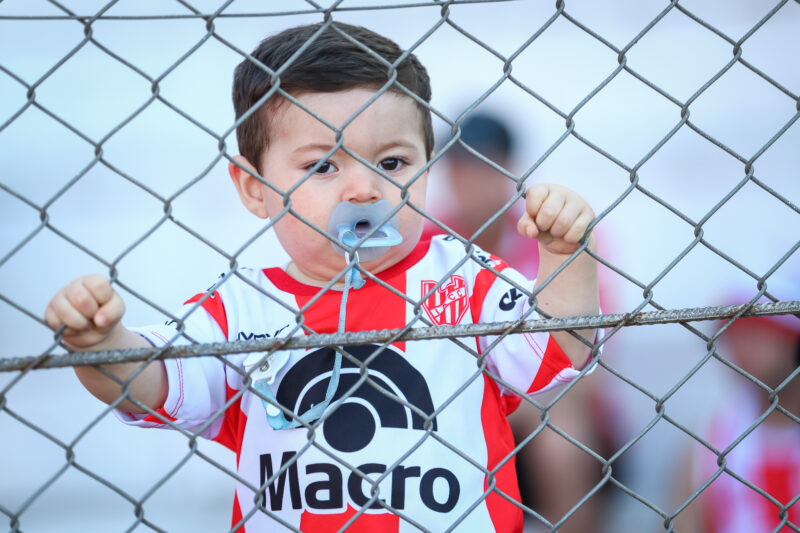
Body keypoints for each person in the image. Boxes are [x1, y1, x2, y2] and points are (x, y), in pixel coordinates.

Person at [43, 22, 600, 532]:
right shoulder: (241, 307)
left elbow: (558, 349)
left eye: (392, 163)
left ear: (428, 167)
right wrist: (103, 344)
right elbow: (153, 384)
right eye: (323, 166)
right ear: (255, 188)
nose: (363, 190)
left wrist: (566, 254)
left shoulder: (460, 276)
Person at [428, 114, 609, 532]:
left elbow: (589, 363)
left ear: (508, 170)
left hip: (546, 413)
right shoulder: (430, 242)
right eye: (459, 170)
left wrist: (503, 407)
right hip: (458, 410)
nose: (468, 183)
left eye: (482, 169)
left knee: (562, 431)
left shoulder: (555, 237)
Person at [677, 293, 800, 533]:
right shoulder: (712, 435)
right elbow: (686, 522)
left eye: (756, 333)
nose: (741, 348)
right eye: (733, 335)